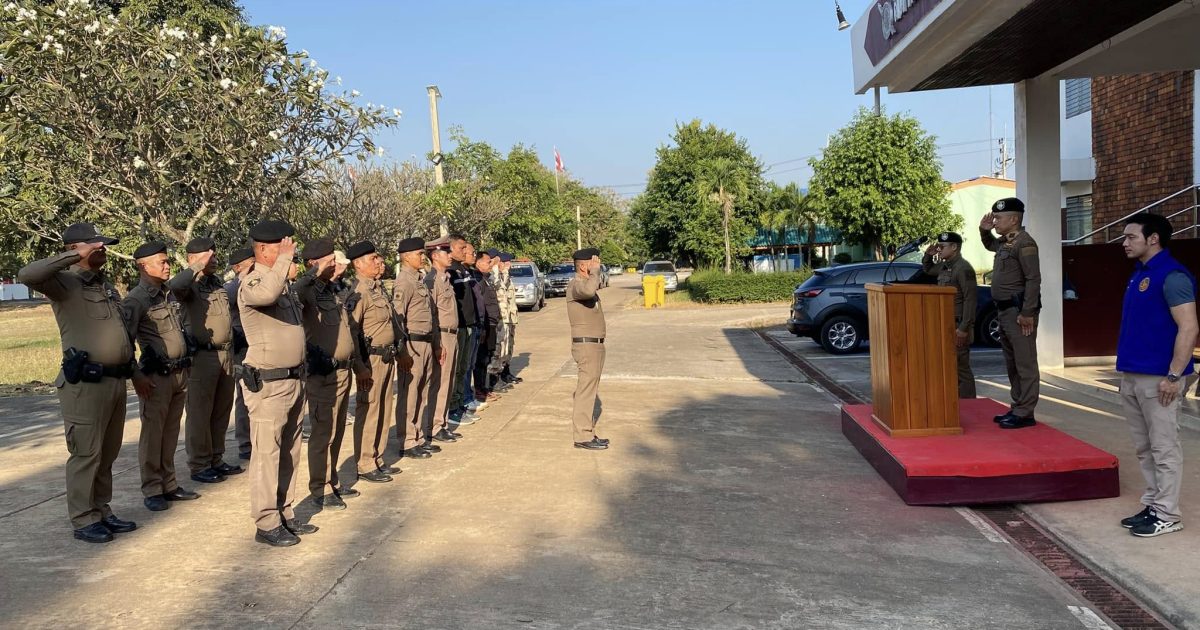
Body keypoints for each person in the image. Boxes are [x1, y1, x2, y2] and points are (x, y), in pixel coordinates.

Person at [17, 223, 138, 543]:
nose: (103, 249)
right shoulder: (64, 282)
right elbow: (27, 274)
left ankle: (101, 509)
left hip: (115, 380)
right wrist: (72, 256)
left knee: (107, 453)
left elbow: (122, 334)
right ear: (75, 248)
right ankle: (84, 518)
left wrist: (135, 372)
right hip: (85, 384)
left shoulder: (104, 285)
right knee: (86, 452)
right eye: (96, 244)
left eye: (103, 244)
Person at [1115, 213, 1197, 538]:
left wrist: (1174, 377)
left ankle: (1168, 514)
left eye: (1131, 237)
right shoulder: (1140, 273)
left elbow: (1189, 328)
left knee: (1164, 447)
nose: (1124, 243)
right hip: (1133, 373)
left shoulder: (1172, 276)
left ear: (1153, 239)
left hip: (1160, 378)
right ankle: (1153, 504)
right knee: (1144, 446)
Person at [239, 220, 314, 547]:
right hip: (269, 384)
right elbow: (265, 294)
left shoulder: (283, 284)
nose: (290, 251)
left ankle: (284, 511)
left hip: (294, 379)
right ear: (263, 249)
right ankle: (266, 522)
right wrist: (284, 261)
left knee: (290, 451)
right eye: (282, 246)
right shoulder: (252, 281)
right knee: (267, 454)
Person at [123, 241, 200, 512]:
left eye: (167, 261)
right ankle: (152, 488)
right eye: (162, 262)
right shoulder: (136, 300)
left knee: (170, 433)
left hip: (179, 372)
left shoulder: (168, 294)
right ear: (143, 266)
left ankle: (169, 483)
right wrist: (136, 376)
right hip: (156, 376)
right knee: (153, 435)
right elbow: (125, 342)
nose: (167, 266)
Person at [294, 240, 365, 510]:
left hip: (342, 371)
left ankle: (331, 479)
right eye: (329, 260)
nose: (335, 264)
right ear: (313, 263)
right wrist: (315, 271)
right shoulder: (307, 290)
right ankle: (320, 487)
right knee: (323, 432)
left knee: (336, 430)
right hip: (323, 373)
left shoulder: (331, 290)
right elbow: (297, 289)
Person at [167, 237, 243, 485]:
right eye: (208, 255)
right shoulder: (189, 285)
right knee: (200, 413)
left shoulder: (217, 284)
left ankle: (216, 458)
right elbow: (175, 285)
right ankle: (199, 463)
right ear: (193, 258)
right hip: (202, 356)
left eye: (215, 254)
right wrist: (197, 266)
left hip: (225, 354)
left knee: (221, 410)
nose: (214, 259)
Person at [346, 240, 406, 483]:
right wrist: (359, 366)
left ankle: (377, 457)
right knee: (369, 409)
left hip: (387, 357)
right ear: (358, 264)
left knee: (383, 408)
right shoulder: (358, 292)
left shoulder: (378, 289)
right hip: (371, 359)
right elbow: (352, 332)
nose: (379, 262)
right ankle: (365, 463)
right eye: (373, 259)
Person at [980, 197, 1042, 429]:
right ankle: (1018, 406)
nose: (995, 221)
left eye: (999, 217)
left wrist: (1027, 312)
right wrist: (984, 230)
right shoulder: (1006, 242)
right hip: (1005, 311)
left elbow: (1033, 279)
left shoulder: (1024, 243)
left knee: (1025, 363)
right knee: (1012, 363)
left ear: (1014, 219)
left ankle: (1026, 412)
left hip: (1018, 313)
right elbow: (990, 245)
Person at [394, 237, 445, 459]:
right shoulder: (404, 282)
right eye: (419, 254)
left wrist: (436, 344)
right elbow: (398, 320)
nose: (423, 257)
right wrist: (402, 351)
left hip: (426, 342)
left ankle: (418, 436)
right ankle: (407, 441)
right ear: (406, 257)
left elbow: (430, 316)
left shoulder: (419, 280)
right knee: (410, 393)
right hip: (412, 344)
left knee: (421, 392)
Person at [921, 232, 978, 399]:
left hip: (958, 324)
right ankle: (953, 402)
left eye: (942, 246)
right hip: (945, 323)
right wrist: (928, 255)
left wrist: (964, 328)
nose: (939, 249)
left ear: (954, 247)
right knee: (948, 366)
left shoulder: (963, 268)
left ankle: (969, 403)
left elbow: (970, 300)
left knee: (961, 367)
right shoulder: (945, 266)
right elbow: (928, 269)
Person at [566, 248, 609, 450]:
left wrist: (594, 274)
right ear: (583, 266)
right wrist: (595, 272)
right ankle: (582, 436)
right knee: (585, 391)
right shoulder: (576, 285)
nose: (597, 266)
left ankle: (587, 431)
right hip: (586, 346)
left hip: (594, 345)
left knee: (590, 390)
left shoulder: (584, 284)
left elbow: (593, 288)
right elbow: (589, 290)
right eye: (593, 263)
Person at [424, 237, 463, 442]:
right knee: (440, 382)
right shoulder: (431, 280)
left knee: (448, 381)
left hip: (452, 334)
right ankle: (435, 425)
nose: (450, 256)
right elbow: (432, 314)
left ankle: (442, 422)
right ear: (435, 256)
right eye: (446, 253)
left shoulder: (445, 278)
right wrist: (437, 343)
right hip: (442, 335)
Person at [447, 236, 482, 423]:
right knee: (456, 370)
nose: (465, 251)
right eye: (461, 248)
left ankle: (460, 404)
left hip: (469, 325)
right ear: (451, 249)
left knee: (463, 368)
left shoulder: (462, 270)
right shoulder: (450, 272)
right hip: (459, 327)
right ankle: (453, 408)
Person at [226, 247, 255, 461]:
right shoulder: (232, 287)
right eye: (251, 264)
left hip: (257, 345)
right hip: (242, 348)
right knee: (245, 395)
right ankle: (245, 443)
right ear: (238, 267)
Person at [474, 249, 502, 402]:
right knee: (481, 359)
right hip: (485, 324)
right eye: (488, 262)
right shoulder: (478, 280)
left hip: (492, 323)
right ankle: (479, 390)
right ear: (478, 263)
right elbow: (481, 305)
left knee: (487, 357)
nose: (491, 264)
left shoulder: (486, 279)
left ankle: (483, 388)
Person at [497, 253, 522, 385]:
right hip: (503, 318)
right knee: (502, 348)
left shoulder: (507, 277)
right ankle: (498, 376)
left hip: (510, 317)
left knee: (509, 346)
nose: (509, 265)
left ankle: (506, 372)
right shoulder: (498, 277)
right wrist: (504, 272)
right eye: (506, 262)